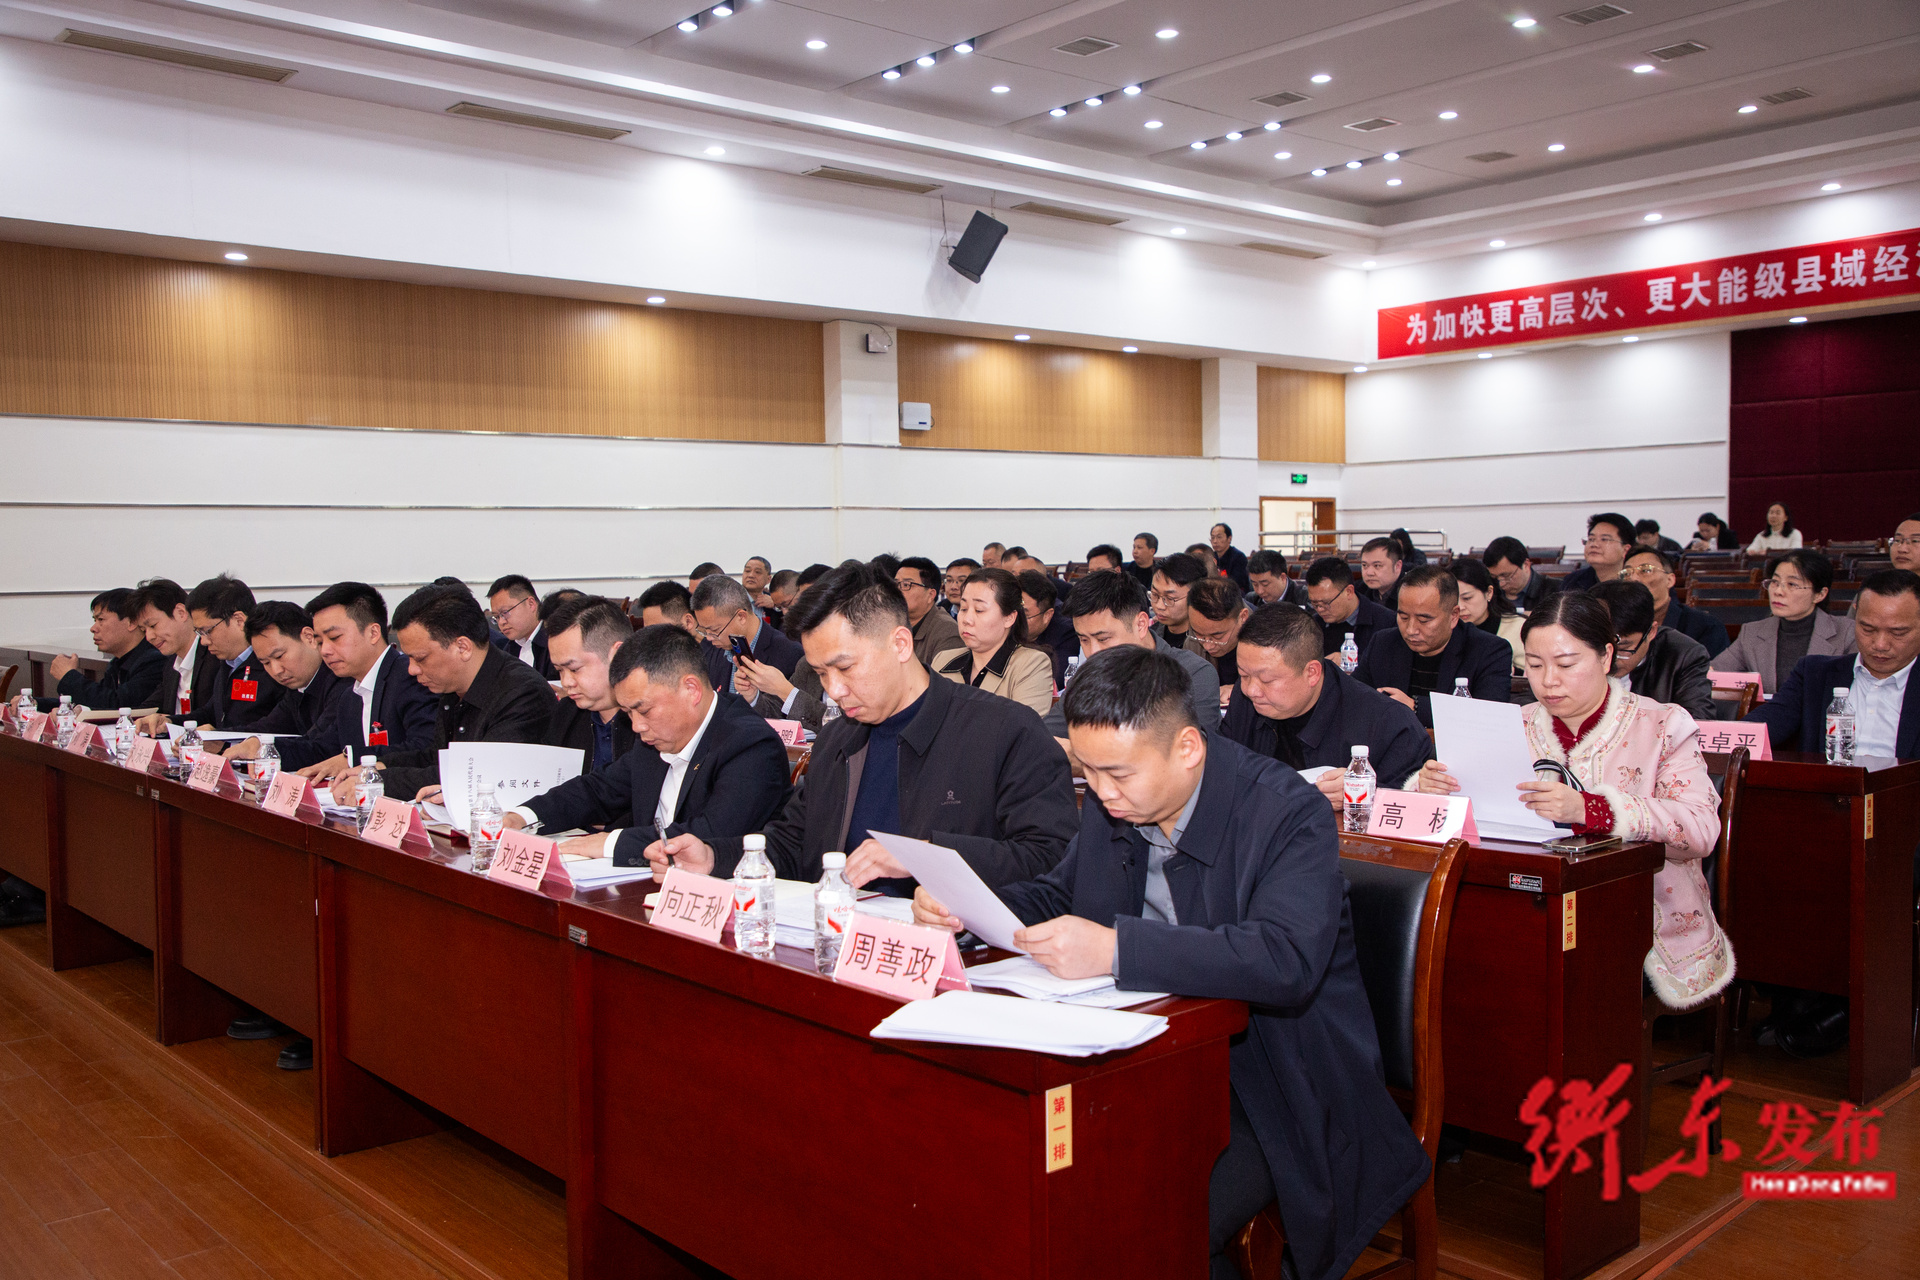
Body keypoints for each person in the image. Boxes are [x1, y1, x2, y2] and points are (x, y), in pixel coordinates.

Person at [912, 646, 1430, 1280]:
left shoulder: (1285, 813)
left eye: (1117, 774)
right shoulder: (1118, 801)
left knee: (1141, 1216)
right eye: (1089, 771)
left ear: (1187, 747)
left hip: (1273, 1081)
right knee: (1031, 1181)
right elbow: (1059, 893)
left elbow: (1285, 958)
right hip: (1148, 1056)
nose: (1101, 792)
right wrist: (970, 910)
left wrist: (1115, 950)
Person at [642, 560, 1077, 893]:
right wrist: (714, 858)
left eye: (845, 668)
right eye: (821, 673)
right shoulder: (841, 738)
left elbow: (1051, 856)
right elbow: (796, 842)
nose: (834, 690)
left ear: (900, 644)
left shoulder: (1004, 731)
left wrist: (925, 857)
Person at [1415, 591, 1731, 1011]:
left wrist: (1591, 809)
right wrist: (1429, 787)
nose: (1548, 681)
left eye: (1566, 665)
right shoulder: (1511, 725)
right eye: (1534, 664)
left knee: (1549, 983)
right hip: (1524, 908)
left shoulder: (1663, 724)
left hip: (1641, 919)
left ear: (1606, 656)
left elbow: (1701, 830)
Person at [1742, 569, 1920, 1057]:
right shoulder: (1818, 673)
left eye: (1898, 632)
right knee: (1761, 862)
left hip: (1905, 828)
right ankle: (1796, 993)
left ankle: (1842, 1004)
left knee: (1874, 874)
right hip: (1823, 820)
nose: (1880, 644)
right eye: (1868, 628)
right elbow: (1760, 731)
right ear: (1851, 619)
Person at [504, 625, 790, 864]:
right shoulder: (654, 740)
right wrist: (522, 817)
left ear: (690, 689)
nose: (637, 726)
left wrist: (612, 843)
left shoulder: (750, 744)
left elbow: (711, 835)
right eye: (628, 713)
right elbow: (598, 789)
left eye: (644, 710)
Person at [352, 584, 555, 803]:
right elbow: (438, 758)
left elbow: (475, 777)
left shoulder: (523, 693)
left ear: (463, 647)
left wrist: (379, 781)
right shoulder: (453, 688)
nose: (411, 669)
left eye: (420, 658)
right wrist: (380, 766)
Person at [1223, 603, 1433, 807]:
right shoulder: (1246, 701)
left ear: (1312, 673)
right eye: (1243, 675)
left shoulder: (1389, 724)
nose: (1251, 690)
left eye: (1266, 680)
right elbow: (1222, 767)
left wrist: (1367, 795)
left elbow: (1411, 807)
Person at [1042, 571, 1219, 755]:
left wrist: (1083, 756)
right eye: (1084, 640)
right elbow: (1044, 739)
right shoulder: (1087, 677)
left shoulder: (1193, 673)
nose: (1092, 653)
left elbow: (1189, 755)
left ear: (1141, 624)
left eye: (1103, 639)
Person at [278, 582, 438, 774]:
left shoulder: (411, 676)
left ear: (373, 633)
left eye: (334, 637)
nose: (325, 650)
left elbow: (426, 749)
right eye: (320, 642)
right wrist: (264, 748)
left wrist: (353, 759)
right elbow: (322, 750)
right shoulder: (349, 697)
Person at [1355, 567, 1512, 727]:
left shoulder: (1489, 650)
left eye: (1424, 620)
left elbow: (1491, 717)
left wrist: (1415, 707)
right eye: (1403, 617)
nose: (1411, 630)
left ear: (1454, 616)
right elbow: (1353, 698)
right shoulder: (1383, 643)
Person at [1711, 550, 1857, 696]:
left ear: (1820, 594)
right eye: (1775, 582)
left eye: (1792, 584)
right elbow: (1713, 675)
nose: (1778, 591)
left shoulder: (1847, 633)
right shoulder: (1751, 633)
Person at [219, 603, 353, 759]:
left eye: (279, 656)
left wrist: (261, 748)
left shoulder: (343, 682)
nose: (276, 670)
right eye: (266, 663)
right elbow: (269, 726)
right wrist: (219, 738)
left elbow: (320, 747)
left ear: (309, 638)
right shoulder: (297, 687)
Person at [932, 567, 1054, 717]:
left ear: (1009, 617)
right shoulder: (943, 660)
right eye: (963, 609)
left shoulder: (1031, 664)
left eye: (979, 610)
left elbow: (1023, 728)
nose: (966, 619)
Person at [1589, 580, 1716, 721]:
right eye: (1600, 647)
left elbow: (1697, 719)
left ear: (1651, 632)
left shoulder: (1684, 655)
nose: (1611, 660)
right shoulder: (1576, 649)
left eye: (1623, 649)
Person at [539, 595, 637, 775]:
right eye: (559, 670)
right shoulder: (566, 714)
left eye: (574, 669)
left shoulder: (650, 722)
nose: (566, 682)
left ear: (617, 654)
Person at [181, 575, 287, 730]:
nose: (203, 641)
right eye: (199, 633)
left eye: (207, 631)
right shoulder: (227, 662)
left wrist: (220, 736)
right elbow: (212, 712)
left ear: (239, 620)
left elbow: (280, 724)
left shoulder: (274, 666)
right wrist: (169, 722)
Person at [45, 587, 165, 712]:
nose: (93, 628)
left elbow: (117, 706)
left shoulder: (155, 661)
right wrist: (37, 703)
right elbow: (94, 702)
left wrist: (69, 676)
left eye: (101, 620)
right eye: (95, 620)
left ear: (132, 622)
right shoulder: (118, 662)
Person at [692, 573, 803, 694]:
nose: (708, 638)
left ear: (741, 617)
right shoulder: (710, 650)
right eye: (704, 630)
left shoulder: (789, 653)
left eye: (714, 631)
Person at [1622, 546, 1730, 658]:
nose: (1633, 579)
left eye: (1645, 570)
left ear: (1670, 580)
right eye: (1626, 573)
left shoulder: (1705, 627)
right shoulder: (1615, 624)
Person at [134, 578, 219, 720]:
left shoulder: (215, 657)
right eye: (143, 630)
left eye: (153, 626)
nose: (149, 637)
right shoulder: (171, 665)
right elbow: (148, 708)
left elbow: (212, 717)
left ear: (181, 613)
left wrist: (171, 722)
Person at [1304, 556, 1395, 659]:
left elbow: (1392, 663)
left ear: (1349, 592)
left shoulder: (1387, 623)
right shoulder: (1312, 626)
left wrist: (1352, 661)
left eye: (1326, 602)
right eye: (1314, 603)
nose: (1320, 609)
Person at [1451, 557, 1525, 671]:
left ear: (1489, 593)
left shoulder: (1517, 628)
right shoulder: (1445, 629)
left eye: (1467, 598)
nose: (1460, 607)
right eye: (1453, 600)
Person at [1016, 569, 1079, 690]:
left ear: (1047, 616)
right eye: (1012, 611)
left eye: (1024, 615)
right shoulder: (1001, 624)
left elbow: (1056, 680)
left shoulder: (1066, 633)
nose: (1014, 620)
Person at [892, 556, 961, 666]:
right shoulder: (891, 623)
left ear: (930, 595)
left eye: (906, 585)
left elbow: (941, 677)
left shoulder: (947, 632)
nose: (898, 591)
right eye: (896, 584)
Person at [486, 575, 556, 681]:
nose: (501, 622)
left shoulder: (554, 642)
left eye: (505, 613)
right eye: (496, 617)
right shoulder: (507, 650)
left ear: (531, 604)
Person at [1184, 577, 1249, 690]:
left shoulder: (1267, 644)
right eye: (1199, 635)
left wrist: (1239, 691)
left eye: (1217, 636)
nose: (1207, 646)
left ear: (1243, 617)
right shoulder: (1192, 643)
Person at [1559, 512, 1635, 593]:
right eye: (1591, 539)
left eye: (1604, 539)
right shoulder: (1572, 581)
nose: (1594, 544)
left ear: (1625, 549)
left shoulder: (1636, 580)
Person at [1482, 536, 1559, 615]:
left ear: (1526, 565)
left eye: (1506, 576)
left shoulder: (1556, 591)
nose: (1501, 584)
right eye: (1494, 577)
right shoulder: (1486, 590)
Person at [1150, 551, 1208, 648]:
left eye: (1169, 598)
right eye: (1155, 595)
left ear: (1196, 597)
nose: (1159, 606)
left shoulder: (1209, 644)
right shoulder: (1149, 637)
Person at [1357, 537, 1404, 611]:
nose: (1369, 573)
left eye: (1377, 566)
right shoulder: (1359, 591)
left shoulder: (1412, 593)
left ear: (1397, 566)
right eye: (1364, 565)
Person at [1209, 523, 1251, 593]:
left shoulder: (1238, 557)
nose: (1215, 541)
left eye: (1219, 537)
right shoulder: (1211, 556)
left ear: (1229, 538)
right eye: (1213, 538)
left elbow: (1237, 583)